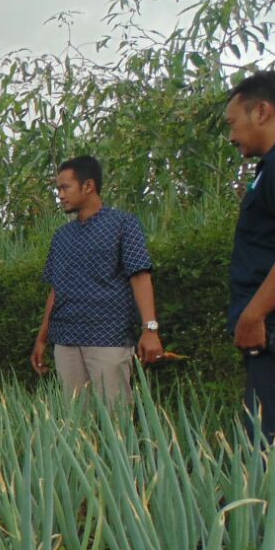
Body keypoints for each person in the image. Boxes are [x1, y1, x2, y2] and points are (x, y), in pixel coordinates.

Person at [30, 156, 164, 403]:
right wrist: (42, 339)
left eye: (65, 187)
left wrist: (150, 329)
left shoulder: (123, 225)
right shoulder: (62, 237)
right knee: (76, 421)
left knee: (115, 419)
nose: (60, 195)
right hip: (66, 340)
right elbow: (56, 290)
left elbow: (140, 276)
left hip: (108, 338)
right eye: (58, 188)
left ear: (88, 186)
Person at [225, 70, 275, 449]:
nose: (232, 136)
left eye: (233, 123)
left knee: (273, 448)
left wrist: (254, 314)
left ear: (262, 112)